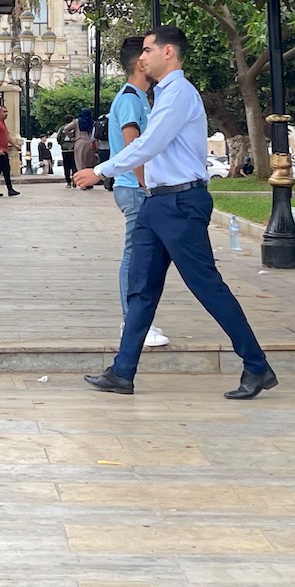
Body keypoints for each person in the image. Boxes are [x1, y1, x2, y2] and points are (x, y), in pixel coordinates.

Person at [73, 26, 276, 400]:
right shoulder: (163, 95)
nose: (142, 57)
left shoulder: (179, 93)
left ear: (169, 52)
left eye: (148, 49)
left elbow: (150, 143)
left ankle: (257, 365)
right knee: (141, 289)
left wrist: (100, 170)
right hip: (157, 201)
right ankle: (122, 372)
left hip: (181, 204)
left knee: (207, 287)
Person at [106, 36, 167, 348]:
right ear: (142, 64)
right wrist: (147, 185)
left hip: (135, 188)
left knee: (144, 256)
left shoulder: (139, 98)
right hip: (134, 189)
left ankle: (138, 320)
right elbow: (134, 146)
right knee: (136, 257)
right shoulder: (131, 99)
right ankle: (133, 321)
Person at [57, 114, 78, 187]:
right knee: (74, 165)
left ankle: (68, 182)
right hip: (73, 148)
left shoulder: (62, 128)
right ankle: (75, 180)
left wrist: (61, 144)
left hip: (64, 149)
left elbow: (58, 137)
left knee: (66, 166)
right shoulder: (75, 127)